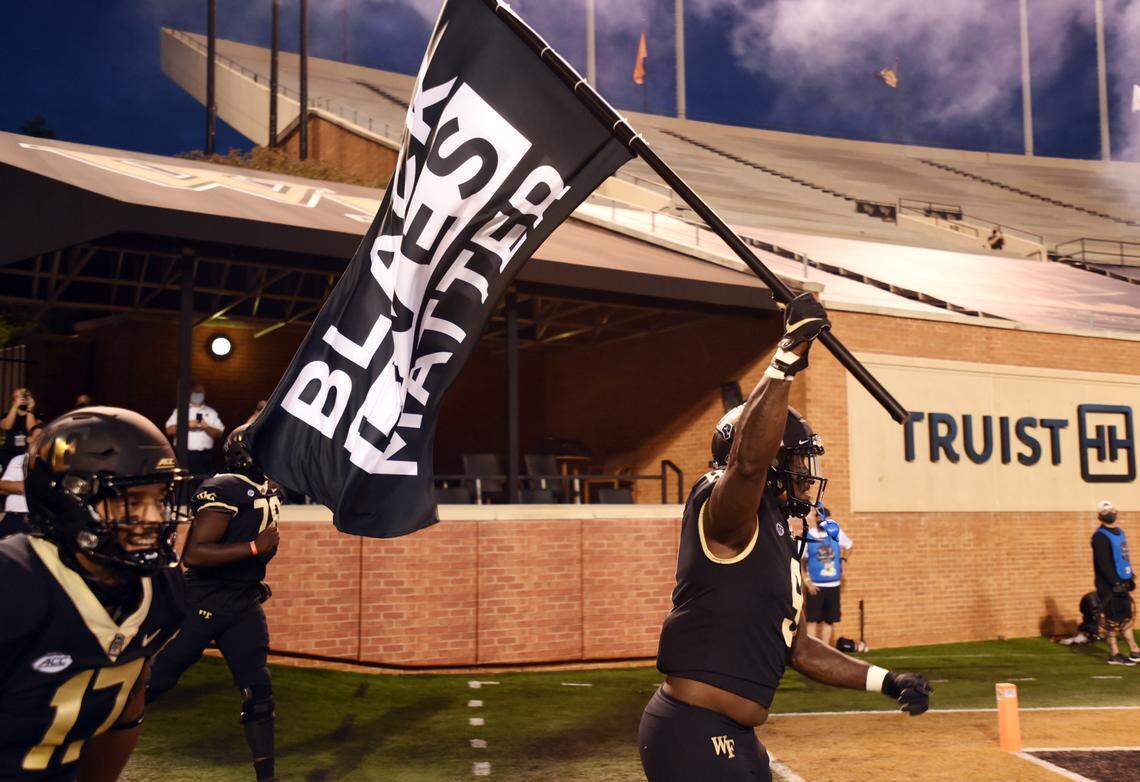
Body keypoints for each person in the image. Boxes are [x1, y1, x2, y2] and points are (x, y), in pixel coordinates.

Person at [640, 294, 932, 782]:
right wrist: (787, 355)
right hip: (694, 734)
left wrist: (886, 680)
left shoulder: (777, 533)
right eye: (796, 464)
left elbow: (795, 647)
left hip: (733, 738)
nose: (805, 477)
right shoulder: (725, 510)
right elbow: (749, 464)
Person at [0, 407, 187, 781]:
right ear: (67, 499)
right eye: (129, 500)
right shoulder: (15, 581)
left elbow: (127, 710)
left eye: (160, 496)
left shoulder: (161, 589)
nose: (152, 517)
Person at [147, 424, 282, 782]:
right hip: (206, 597)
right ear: (247, 454)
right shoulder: (224, 487)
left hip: (242, 599)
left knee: (259, 692)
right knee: (158, 679)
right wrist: (254, 549)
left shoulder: (265, 486)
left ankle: (267, 779)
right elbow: (195, 554)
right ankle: (91, 737)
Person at [1091, 500, 1137, 665]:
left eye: (1111, 510)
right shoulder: (1100, 537)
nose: (1110, 513)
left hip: (1122, 582)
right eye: (1106, 511)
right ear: (1100, 516)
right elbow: (1104, 563)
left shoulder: (1120, 532)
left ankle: (1134, 650)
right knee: (1112, 619)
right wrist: (1115, 582)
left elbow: (1123, 557)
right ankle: (1115, 653)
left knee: (1126, 618)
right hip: (1109, 586)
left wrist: (1130, 577)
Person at [801, 503, 854, 647]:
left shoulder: (836, 533)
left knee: (829, 620)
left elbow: (849, 545)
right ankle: (811, 650)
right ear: (815, 518)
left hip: (833, 585)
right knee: (812, 620)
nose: (821, 521)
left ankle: (824, 649)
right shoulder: (809, 535)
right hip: (815, 586)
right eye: (819, 518)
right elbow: (801, 561)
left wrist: (843, 559)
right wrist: (807, 582)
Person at [164, 382, 224, 479]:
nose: (198, 394)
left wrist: (206, 427)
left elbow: (219, 433)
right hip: (184, 456)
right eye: (195, 392)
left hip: (205, 457)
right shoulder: (181, 411)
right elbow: (169, 430)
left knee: (202, 482)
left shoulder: (211, 412)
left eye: (200, 392)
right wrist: (186, 425)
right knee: (183, 481)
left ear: (204, 393)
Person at [0, 423, 42, 538]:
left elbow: (26, 487)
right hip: (10, 517)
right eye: (38, 436)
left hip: (30, 520)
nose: (40, 440)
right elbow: (2, 488)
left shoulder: (46, 463)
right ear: (29, 439)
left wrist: (20, 487)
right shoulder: (17, 460)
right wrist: (22, 487)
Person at [1, 388, 41, 464]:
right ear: (13, 401)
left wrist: (30, 408)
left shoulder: (37, 417)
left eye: (25, 396)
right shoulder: (7, 415)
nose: (22, 399)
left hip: (28, 454)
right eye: (18, 397)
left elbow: (32, 429)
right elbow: (7, 426)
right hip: (8, 454)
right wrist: (15, 406)